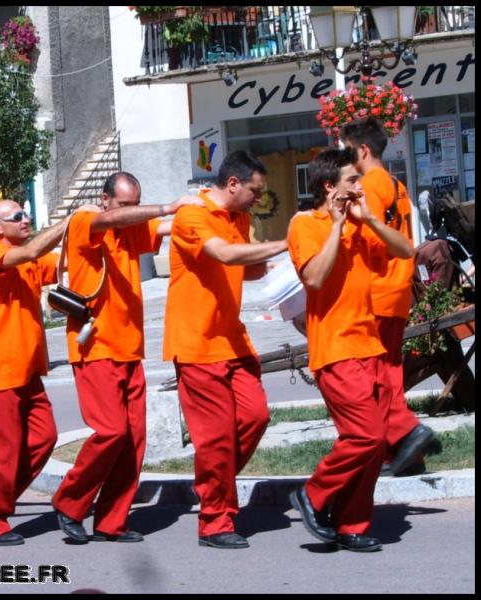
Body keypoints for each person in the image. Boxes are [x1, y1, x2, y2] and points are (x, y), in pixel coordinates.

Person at [52, 172, 204, 544]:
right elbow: (114, 220)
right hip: (96, 347)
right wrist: (169, 204)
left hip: (129, 347)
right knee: (111, 431)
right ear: (105, 200)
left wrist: (205, 207)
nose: (132, 211)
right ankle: (69, 501)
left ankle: (111, 521)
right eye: (125, 204)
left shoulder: (129, 227)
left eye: (137, 203)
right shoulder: (87, 220)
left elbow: (163, 227)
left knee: (133, 439)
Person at [287, 147, 414, 552]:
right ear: (329, 186)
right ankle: (314, 494)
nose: (360, 186)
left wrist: (371, 220)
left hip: (370, 344)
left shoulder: (362, 224)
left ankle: (351, 525)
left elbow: (404, 251)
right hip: (336, 348)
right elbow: (316, 279)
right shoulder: (305, 224)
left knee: (375, 447)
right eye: (352, 180)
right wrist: (338, 229)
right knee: (365, 435)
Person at [163, 151, 287, 548]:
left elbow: (245, 267)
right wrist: (288, 242)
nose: (258, 198)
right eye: (255, 191)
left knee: (256, 416)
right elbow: (223, 254)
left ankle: (214, 486)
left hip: (232, 339)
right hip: (197, 343)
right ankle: (215, 522)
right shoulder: (192, 216)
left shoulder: (240, 216)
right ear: (233, 184)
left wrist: (293, 263)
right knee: (215, 439)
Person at [0, 200, 96, 546]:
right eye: (18, 217)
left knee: (44, 438)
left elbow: (67, 260)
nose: (26, 220)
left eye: (26, 214)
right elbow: (36, 249)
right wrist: (70, 219)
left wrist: (95, 227)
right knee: (1, 454)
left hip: (27, 371)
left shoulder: (30, 258)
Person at [341, 118, 432, 477]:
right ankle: (405, 452)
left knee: (376, 376)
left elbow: (376, 239)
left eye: (346, 147)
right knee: (388, 371)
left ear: (362, 149)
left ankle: (405, 432)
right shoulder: (394, 181)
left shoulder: (369, 186)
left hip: (376, 290)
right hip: (396, 290)